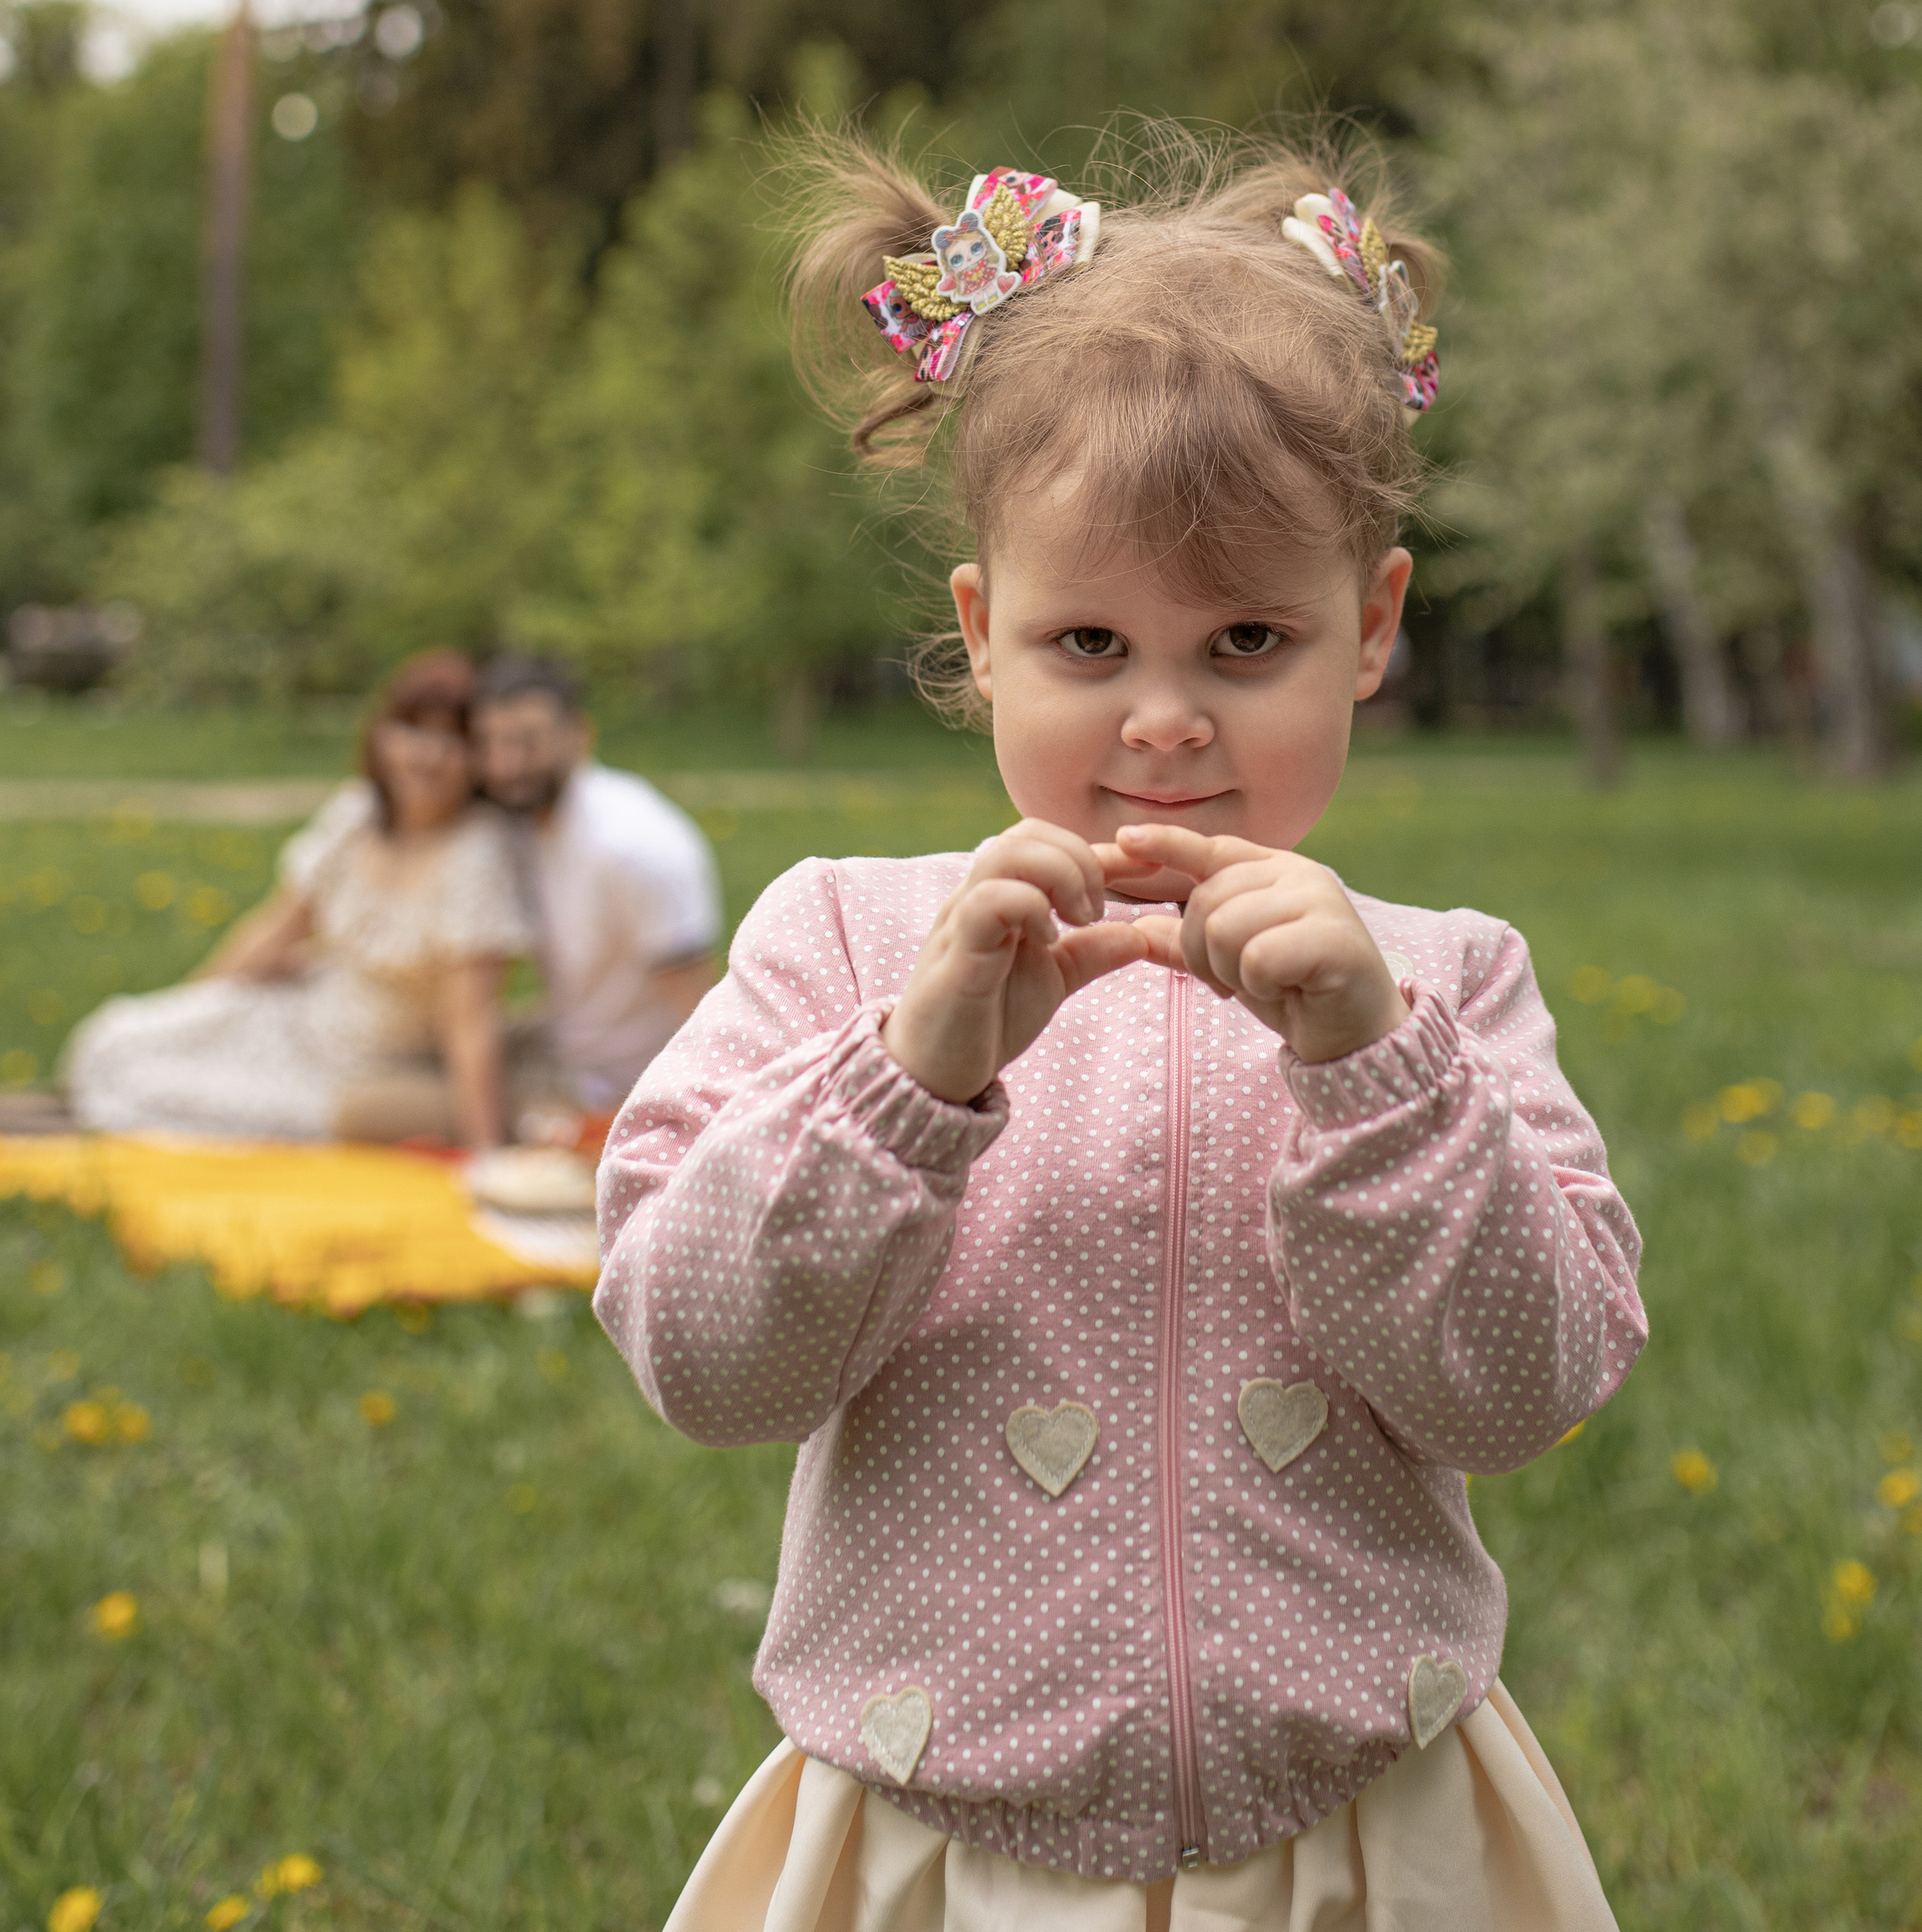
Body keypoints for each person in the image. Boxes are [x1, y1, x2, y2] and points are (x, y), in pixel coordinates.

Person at [595, 145, 1646, 1932]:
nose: (1163, 721)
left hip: (1360, 1844)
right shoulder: (844, 942)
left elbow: (1522, 1388)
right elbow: (706, 1363)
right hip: (942, 1841)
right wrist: (903, 1079)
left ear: (1369, 626)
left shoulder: (1442, 981)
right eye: (1088, 639)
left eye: (1247, 639)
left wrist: (1373, 1071)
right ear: (981, 634)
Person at [65, 650, 528, 1148]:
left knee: (171, 1089)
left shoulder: (475, 856)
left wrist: (488, 1159)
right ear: (383, 736)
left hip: (373, 1072)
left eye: (451, 739)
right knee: (114, 1041)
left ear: (479, 758)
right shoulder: (357, 818)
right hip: (300, 1019)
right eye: (413, 730)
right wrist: (194, 1011)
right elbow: (274, 929)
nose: (428, 755)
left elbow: (470, 1023)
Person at [334, 657, 723, 1141]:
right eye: (489, 744)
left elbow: (707, 1014)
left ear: (579, 736)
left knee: (364, 1111)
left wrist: (689, 1118)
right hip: (556, 1044)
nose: (505, 765)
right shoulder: (525, 822)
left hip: (612, 1089)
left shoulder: (634, 850)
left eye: (526, 743)